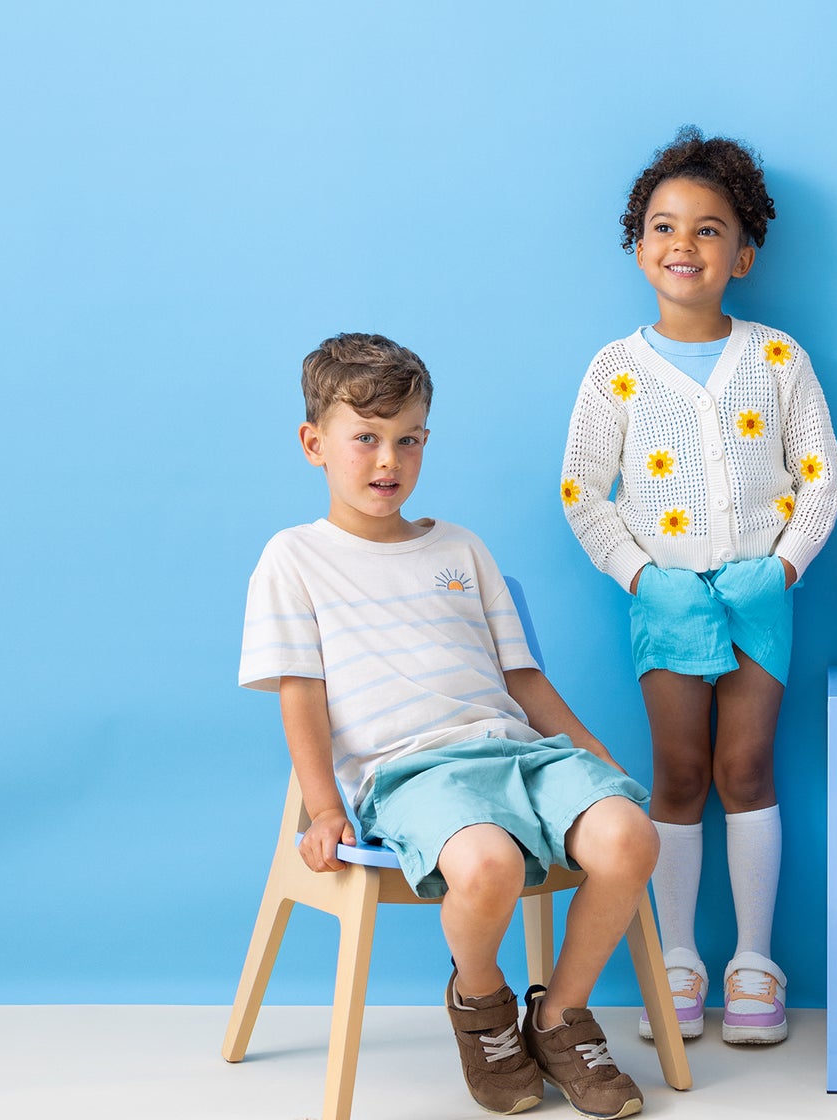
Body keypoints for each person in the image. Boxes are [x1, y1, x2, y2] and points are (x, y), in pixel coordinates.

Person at [243, 333, 657, 1119]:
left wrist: (584, 745)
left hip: (517, 756)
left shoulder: (461, 548)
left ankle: (560, 1015)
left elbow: (520, 675)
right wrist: (324, 807)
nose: (388, 460)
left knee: (630, 836)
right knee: (488, 865)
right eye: (366, 438)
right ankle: (482, 1002)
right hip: (410, 774)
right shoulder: (293, 559)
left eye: (409, 440)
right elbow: (300, 695)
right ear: (314, 444)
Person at [558, 126, 837, 1046]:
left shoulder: (779, 358)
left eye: (709, 229)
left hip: (760, 595)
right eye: (665, 226)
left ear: (743, 256)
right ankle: (674, 959)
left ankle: (755, 963)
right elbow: (581, 492)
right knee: (678, 774)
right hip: (667, 602)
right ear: (640, 245)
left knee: (745, 769)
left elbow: (821, 478)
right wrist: (644, 577)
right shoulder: (616, 370)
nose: (685, 243)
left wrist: (783, 567)